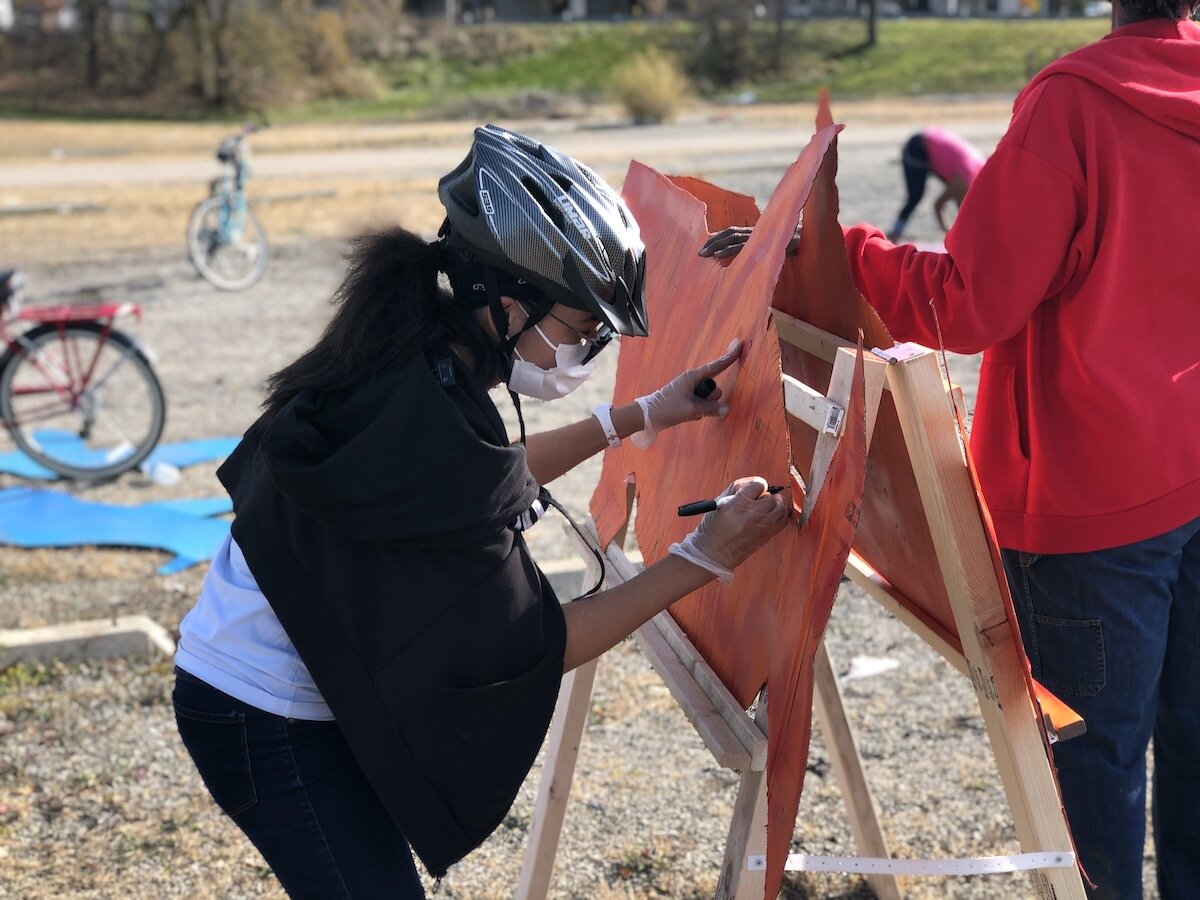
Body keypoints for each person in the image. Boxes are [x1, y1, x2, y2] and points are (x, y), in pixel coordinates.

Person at [172, 124, 790, 899]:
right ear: (505, 302)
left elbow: (478, 483)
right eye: (580, 329)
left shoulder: (413, 356)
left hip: (268, 675)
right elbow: (533, 645)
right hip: (264, 711)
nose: (587, 351)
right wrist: (702, 558)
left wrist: (643, 415)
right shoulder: (427, 404)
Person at [701, 3, 1200, 897]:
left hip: (1093, 504)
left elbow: (969, 305)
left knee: (1097, 776)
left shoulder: (1072, 105)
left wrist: (839, 252)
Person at [886, 126, 986, 242]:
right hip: (917, 148)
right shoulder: (966, 178)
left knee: (961, 204)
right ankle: (895, 233)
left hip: (933, 140)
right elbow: (938, 206)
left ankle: (956, 238)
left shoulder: (981, 166)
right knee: (915, 196)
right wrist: (949, 235)